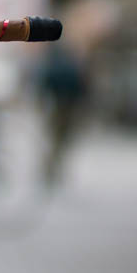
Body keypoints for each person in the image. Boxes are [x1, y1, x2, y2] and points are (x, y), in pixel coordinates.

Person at [36, 44, 88, 187]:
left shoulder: (54, 66)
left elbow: (44, 85)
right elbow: (82, 88)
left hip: (56, 106)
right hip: (69, 107)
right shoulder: (73, 67)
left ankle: (50, 167)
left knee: (53, 139)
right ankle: (54, 167)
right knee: (61, 140)